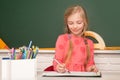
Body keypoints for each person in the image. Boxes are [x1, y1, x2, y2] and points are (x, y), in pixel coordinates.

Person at [53, 5, 98, 73]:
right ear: (67, 24)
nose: (75, 26)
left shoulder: (89, 43)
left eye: (79, 22)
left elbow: (89, 65)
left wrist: (92, 68)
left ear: (84, 22)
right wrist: (59, 67)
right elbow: (57, 61)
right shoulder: (62, 39)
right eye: (71, 23)